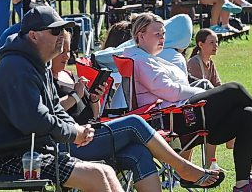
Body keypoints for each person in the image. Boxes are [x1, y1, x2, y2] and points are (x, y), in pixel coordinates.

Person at [124, 12, 252, 192]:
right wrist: (206, 92)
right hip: (173, 119)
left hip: (180, 113)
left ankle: (243, 185)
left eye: (164, 34)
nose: (162, 38)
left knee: (247, 115)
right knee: (234, 89)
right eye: (157, 34)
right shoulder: (140, 61)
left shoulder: (147, 58)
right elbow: (170, 92)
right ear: (141, 36)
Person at [0, 6, 124, 192]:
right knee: (95, 175)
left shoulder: (38, 64)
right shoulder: (16, 67)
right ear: (33, 35)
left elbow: (55, 108)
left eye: (64, 30)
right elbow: (35, 120)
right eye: (55, 30)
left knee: (105, 171)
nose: (62, 35)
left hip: (24, 151)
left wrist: (77, 129)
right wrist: (73, 133)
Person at [51, 31, 223, 191]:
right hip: (72, 142)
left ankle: (183, 169)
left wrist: (94, 99)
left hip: (92, 134)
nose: (67, 55)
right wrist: (74, 95)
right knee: (134, 123)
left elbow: (94, 116)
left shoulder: (70, 76)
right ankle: (183, 167)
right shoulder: (47, 80)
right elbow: (49, 114)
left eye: (69, 50)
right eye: (61, 50)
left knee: (138, 152)